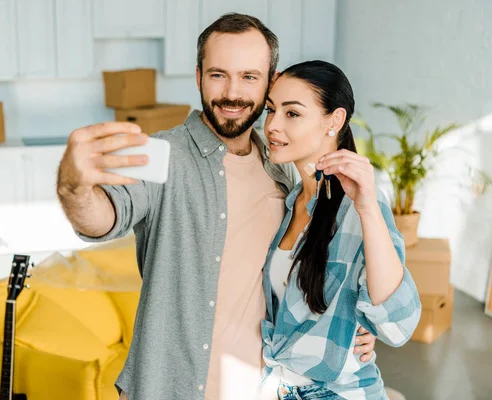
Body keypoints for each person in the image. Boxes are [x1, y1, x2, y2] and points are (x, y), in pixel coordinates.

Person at [56, 13, 376, 400]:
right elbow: (104, 217)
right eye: (218, 75)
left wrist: (351, 327)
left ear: (270, 82)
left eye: (249, 77)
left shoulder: (282, 169)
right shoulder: (162, 153)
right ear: (198, 77)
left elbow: (298, 279)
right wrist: (74, 185)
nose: (232, 93)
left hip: (261, 388)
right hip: (169, 389)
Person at [259, 60, 422, 400]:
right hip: (279, 386)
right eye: (271, 110)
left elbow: (398, 325)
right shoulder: (288, 200)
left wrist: (366, 208)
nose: (272, 125)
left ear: (334, 120)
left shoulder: (360, 204)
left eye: (292, 114)